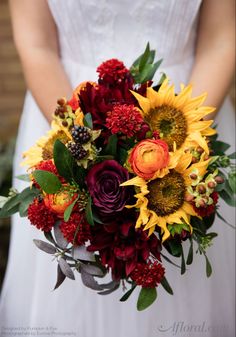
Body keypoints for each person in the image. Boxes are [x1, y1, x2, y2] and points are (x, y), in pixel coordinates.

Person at [0, 1, 235, 336]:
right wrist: (83, 152)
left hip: (187, 113)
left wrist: (182, 147)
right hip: (67, 112)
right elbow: (37, 45)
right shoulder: (73, 129)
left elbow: (221, 40)